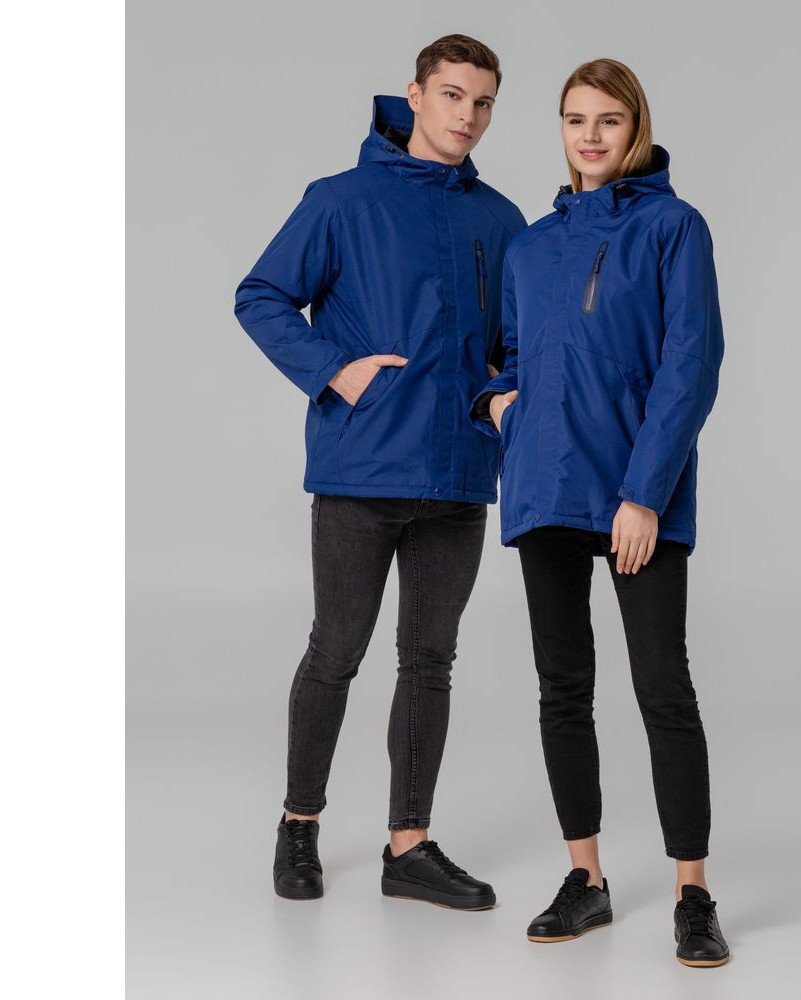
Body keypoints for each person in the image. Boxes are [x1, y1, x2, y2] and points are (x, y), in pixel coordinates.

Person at [235, 34, 525, 908]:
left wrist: (500, 395)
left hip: (459, 475)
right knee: (336, 650)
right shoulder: (341, 200)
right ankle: (299, 825)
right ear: (416, 94)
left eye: (482, 102)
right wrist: (335, 370)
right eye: (452, 95)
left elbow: (516, 343)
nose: (467, 116)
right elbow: (260, 295)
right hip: (361, 469)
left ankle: (410, 846)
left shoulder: (501, 219)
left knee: (430, 660)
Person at [470, 58, 729, 965]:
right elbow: (507, 355)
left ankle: (693, 892)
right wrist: (500, 404)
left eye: (608, 121)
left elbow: (690, 364)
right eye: (575, 119)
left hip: (633, 492)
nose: (590, 136)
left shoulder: (673, 228)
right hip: (544, 486)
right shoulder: (532, 245)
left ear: (635, 129)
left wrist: (644, 494)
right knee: (563, 688)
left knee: (663, 688)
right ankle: (586, 878)